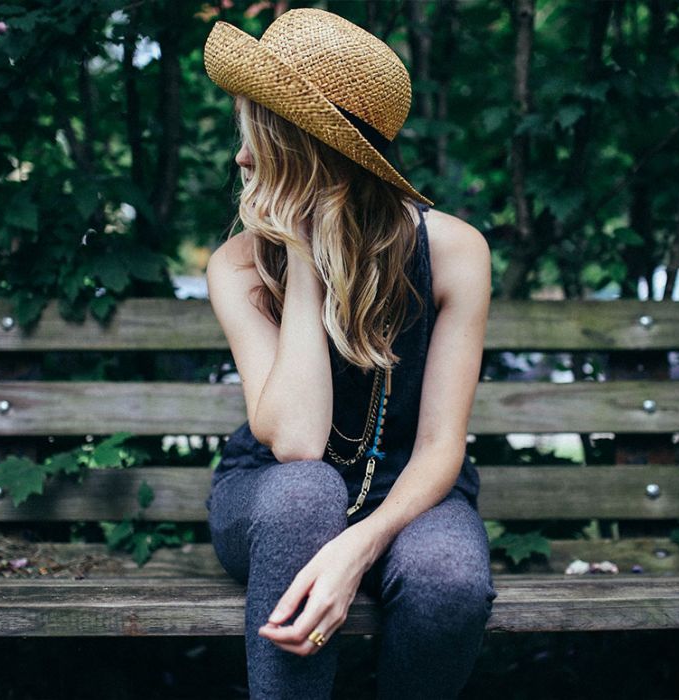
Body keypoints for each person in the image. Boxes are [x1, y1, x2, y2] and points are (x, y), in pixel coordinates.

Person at [202, 8, 496, 699]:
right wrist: (305, 254)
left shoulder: (455, 253)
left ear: (305, 151)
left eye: (257, 135)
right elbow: (298, 444)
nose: (241, 158)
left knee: (448, 581)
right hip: (272, 494)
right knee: (308, 491)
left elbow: (441, 446)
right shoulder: (239, 266)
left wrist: (360, 544)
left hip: (409, 490)